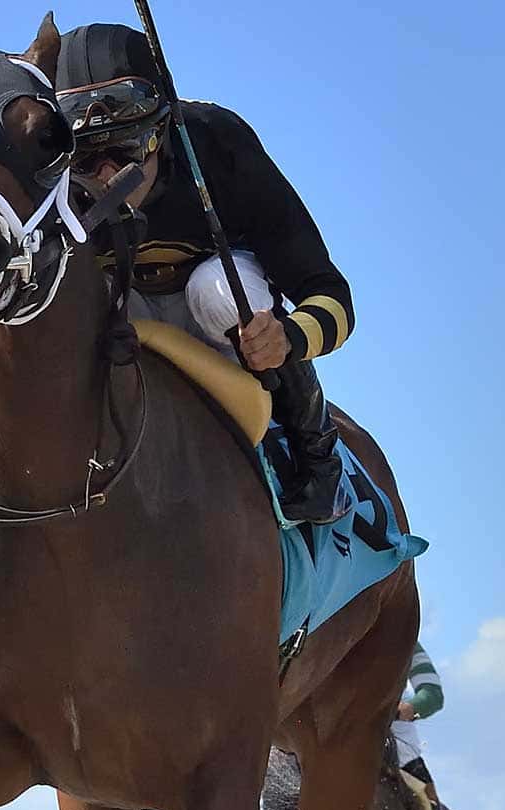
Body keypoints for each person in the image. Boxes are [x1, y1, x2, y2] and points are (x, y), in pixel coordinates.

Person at [56, 24, 353, 525]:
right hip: (123, 319)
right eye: (87, 157)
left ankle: (316, 454)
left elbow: (332, 298)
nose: (106, 175)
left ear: (161, 128)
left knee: (216, 287)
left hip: (219, 320)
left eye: (124, 150)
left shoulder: (218, 142)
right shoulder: (50, 176)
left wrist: (287, 338)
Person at [389, 641, 454, 810]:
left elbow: (432, 694)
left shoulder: (404, 639)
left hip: (394, 738)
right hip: (335, 734)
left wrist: (406, 709)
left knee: (427, 793)